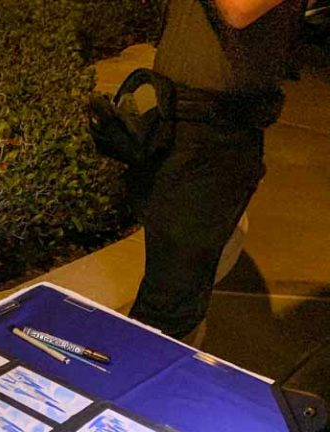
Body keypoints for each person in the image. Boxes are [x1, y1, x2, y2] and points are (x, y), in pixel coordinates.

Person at [126, 0, 305, 346]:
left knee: (175, 302)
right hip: (192, 124)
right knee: (171, 302)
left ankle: (149, 385)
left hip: (219, 127)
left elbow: (240, 13)